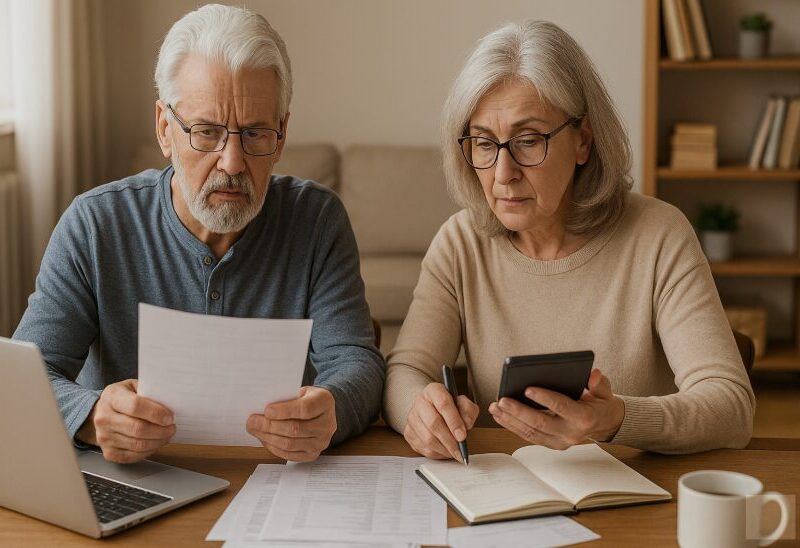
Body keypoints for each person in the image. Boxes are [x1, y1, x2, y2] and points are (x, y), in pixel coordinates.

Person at [13, 4, 384, 464]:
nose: (231, 162)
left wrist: (331, 409)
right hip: (136, 482)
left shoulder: (317, 220)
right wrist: (89, 416)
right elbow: (25, 381)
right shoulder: (94, 225)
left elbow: (357, 364)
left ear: (282, 134)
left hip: (272, 482)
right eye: (206, 133)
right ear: (164, 128)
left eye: (254, 134)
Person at [383, 20, 754, 457]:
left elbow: (731, 406)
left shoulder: (659, 235)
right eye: (484, 144)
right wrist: (418, 410)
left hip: (639, 502)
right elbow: (406, 369)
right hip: (506, 501)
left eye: (528, 140)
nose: (503, 174)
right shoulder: (460, 243)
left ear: (583, 142)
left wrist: (617, 420)